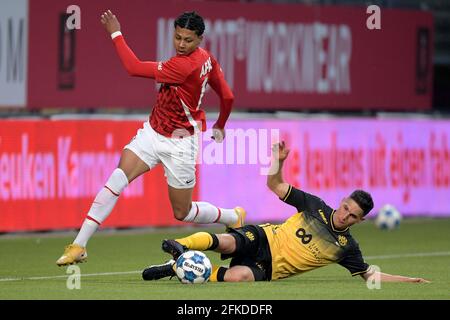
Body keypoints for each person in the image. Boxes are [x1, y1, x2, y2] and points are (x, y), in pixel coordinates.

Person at [56, 10, 245, 266]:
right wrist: (220, 124)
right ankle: (79, 244)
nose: (180, 44)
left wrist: (115, 31)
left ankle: (232, 217)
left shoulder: (185, 65)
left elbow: (133, 67)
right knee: (116, 180)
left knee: (183, 212)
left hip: (180, 142)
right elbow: (228, 96)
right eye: (177, 37)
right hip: (153, 133)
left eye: (188, 40)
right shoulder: (207, 58)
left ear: (200, 39)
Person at [142, 142, 430, 284]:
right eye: (345, 208)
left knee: (238, 277)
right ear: (342, 201)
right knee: (228, 242)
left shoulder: (347, 248)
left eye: (352, 216)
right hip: (266, 238)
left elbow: (370, 276)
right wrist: (277, 161)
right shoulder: (314, 204)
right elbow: (274, 183)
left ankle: (180, 268)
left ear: (360, 220)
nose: (344, 215)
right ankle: (181, 247)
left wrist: (411, 281)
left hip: (273, 269)